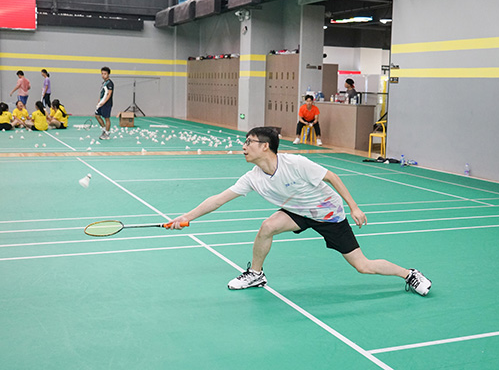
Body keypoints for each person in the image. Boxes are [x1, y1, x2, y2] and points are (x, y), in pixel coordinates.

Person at [169, 127, 431, 296]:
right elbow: (218, 200)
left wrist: (354, 207)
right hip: (297, 211)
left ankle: (410, 274)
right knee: (267, 226)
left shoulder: (295, 163)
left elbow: (332, 177)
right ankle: (256, 275)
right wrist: (186, 217)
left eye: (249, 142)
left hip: (329, 215)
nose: (244, 146)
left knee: (363, 266)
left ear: (265, 146)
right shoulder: (253, 177)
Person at [95, 66, 114, 140]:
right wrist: (99, 102)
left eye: (105, 74)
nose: (103, 75)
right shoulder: (104, 83)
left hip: (107, 104)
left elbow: (109, 94)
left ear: (108, 74)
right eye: (102, 73)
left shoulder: (110, 83)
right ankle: (104, 130)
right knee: (97, 116)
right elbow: (102, 93)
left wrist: (104, 102)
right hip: (101, 103)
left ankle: (107, 133)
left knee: (107, 118)